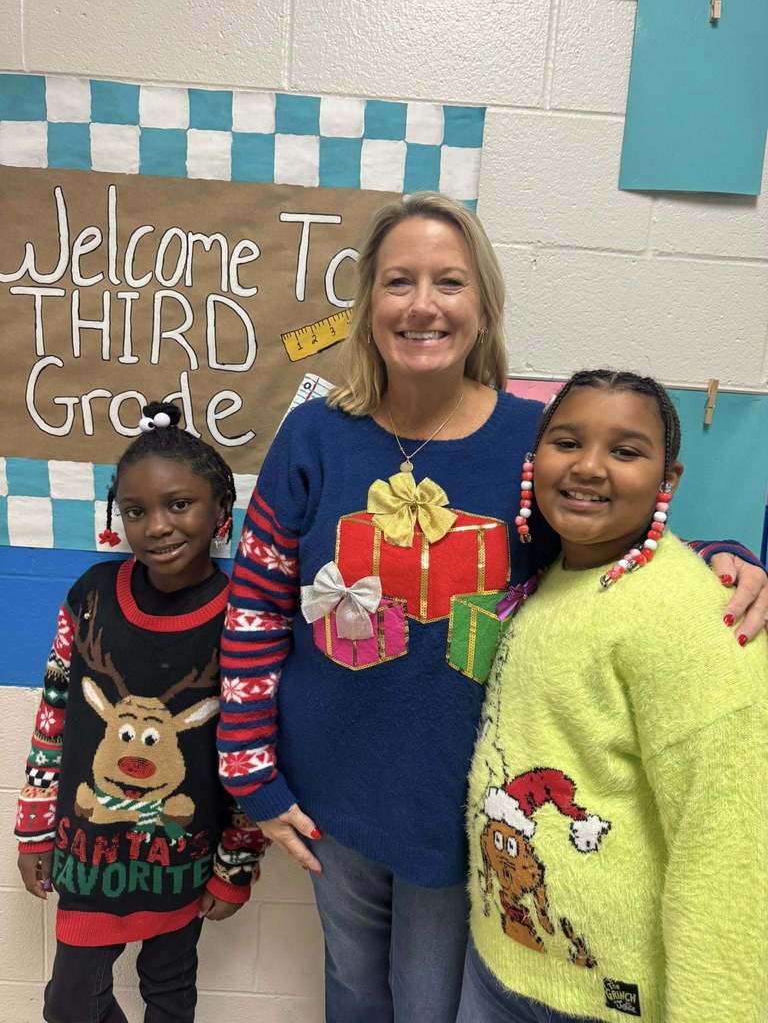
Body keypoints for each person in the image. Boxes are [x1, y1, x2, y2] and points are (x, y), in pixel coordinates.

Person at [217, 193, 767, 1023]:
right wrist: (248, 768)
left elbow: (614, 542)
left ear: (484, 306)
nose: (423, 303)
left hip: (460, 798)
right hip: (327, 788)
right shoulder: (315, 436)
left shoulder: (532, 438)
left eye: (450, 281)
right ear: (369, 305)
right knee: (352, 992)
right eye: (399, 281)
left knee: (430, 1004)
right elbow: (256, 603)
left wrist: (727, 558)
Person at [458, 370, 767, 1023]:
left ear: (668, 481)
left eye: (626, 451)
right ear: (534, 460)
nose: (590, 467)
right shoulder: (553, 577)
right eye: (567, 442)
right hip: (502, 964)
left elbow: (732, 861)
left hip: (607, 1001)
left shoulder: (697, 622)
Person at [15, 402, 267, 1023]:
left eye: (178, 505)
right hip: (87, 851)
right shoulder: (91, 596)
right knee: (69, 1004)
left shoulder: (244, 617)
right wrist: (34, 827)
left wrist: (235, 862)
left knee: (171, 992)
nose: (156, 525)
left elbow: (255, 747)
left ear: (220, 513)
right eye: (135, 510)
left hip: (182, 856)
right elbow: (53, 720)